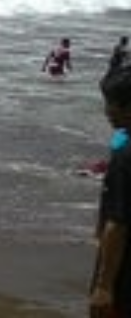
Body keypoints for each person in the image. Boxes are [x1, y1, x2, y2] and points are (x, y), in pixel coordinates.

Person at [89, 65, 131, 317]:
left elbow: (118, 223)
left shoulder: (125, 156)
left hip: (124, 270)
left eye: (112, 104)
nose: (107, 111)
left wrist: (104, 286)